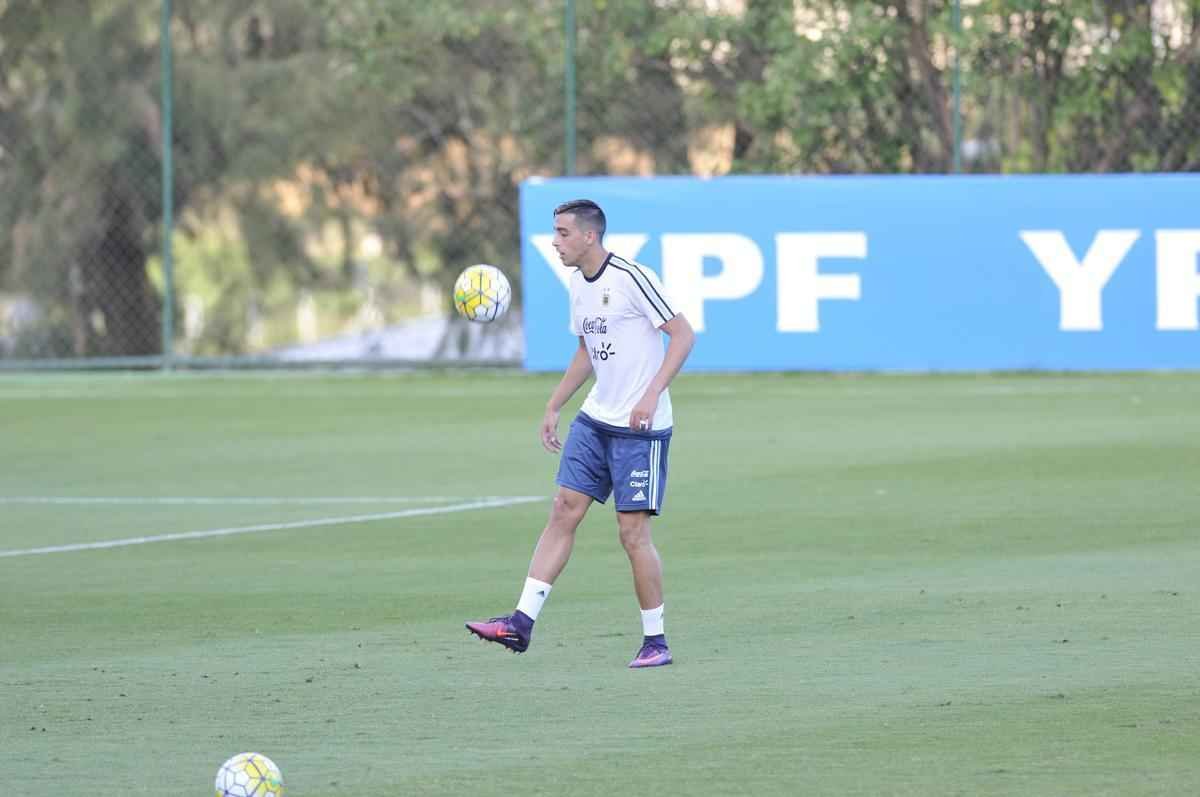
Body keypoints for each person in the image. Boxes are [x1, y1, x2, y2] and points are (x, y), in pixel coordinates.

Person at [466, 198, 695, 668]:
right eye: (554, 232)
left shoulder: (633, 277)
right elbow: (587, 352)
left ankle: (656, 642)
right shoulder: (576, 284)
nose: (555, 242)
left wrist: (651, 395)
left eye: (564, 233)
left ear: (590, 236)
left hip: (640, 430)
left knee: (632, 535)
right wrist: (555, 404)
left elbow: (684, 334)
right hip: (595, 420)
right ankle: (520, 624)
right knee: (562, 510)